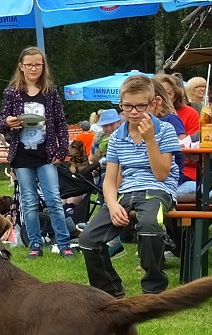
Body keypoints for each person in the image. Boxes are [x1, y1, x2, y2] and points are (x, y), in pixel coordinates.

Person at [77, 75, 181, 297]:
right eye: (128, 107)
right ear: (121, 106)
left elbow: (162, 174)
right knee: (87, 240)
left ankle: (154, 288)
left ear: (153, 104)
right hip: (126, 192)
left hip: (158, 190)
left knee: (150, 225)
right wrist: (113, 204)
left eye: (140, 106)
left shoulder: (165, 131)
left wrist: (150, 139)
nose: (134, 112)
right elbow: (110, 179)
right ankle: (109, 290)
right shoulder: (116, 138)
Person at [0, 46, 73, 258]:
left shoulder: (50, 91)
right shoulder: (12, 93)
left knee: (54, 199)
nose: (33, 68)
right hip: (21, 155)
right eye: (29, 64)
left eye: (38, 64)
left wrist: (62, 149)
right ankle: (35, 245)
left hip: (46, 154)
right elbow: (1, 123)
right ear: (21, 66)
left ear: (43, 66)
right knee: (28, 201)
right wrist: (9, 123)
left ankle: (64, 243)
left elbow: (60, 123)